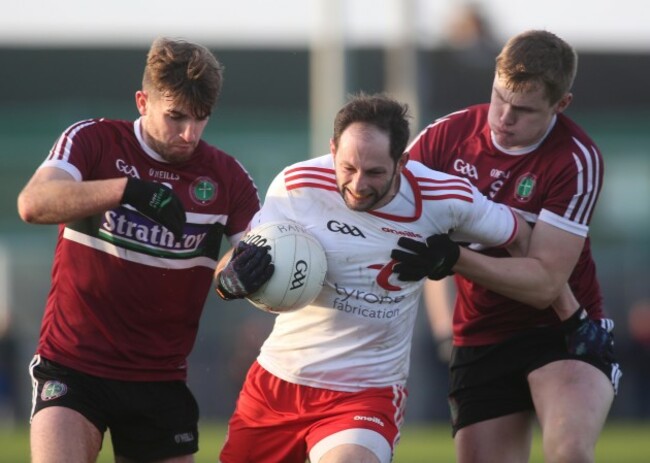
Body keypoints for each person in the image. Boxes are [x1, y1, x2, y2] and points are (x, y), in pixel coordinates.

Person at [211, 92, 581, 463]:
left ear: (402, 161)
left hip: (365, 392)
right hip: (278, 381)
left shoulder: (445, 197)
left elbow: (521, 236)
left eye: (374, 173)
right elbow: (240, 258)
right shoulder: (297, 185)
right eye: (347, 168)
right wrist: (230, 280)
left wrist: (570, 315)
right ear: (333, 149)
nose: (357, 185)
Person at [16, 37, 266, 463]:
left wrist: (234, 276)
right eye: (176, 117)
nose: (189, 133)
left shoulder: (228, 178)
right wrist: (127, 191)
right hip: (74, 365)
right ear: (142, 101)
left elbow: (253, 257)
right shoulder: (93, 140)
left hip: (159, 378)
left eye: (201, 119)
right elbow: (33, 203)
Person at [405, 29, 622, 463]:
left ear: (561, 105)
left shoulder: (576, 159)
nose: (503, 117)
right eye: (499, 97)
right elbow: (385, 195)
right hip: (480, 336)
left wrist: (454, 258)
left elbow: (544, 282)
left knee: (570, 453)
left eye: (523, 110)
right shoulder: (447, 136)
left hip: (562, 331)